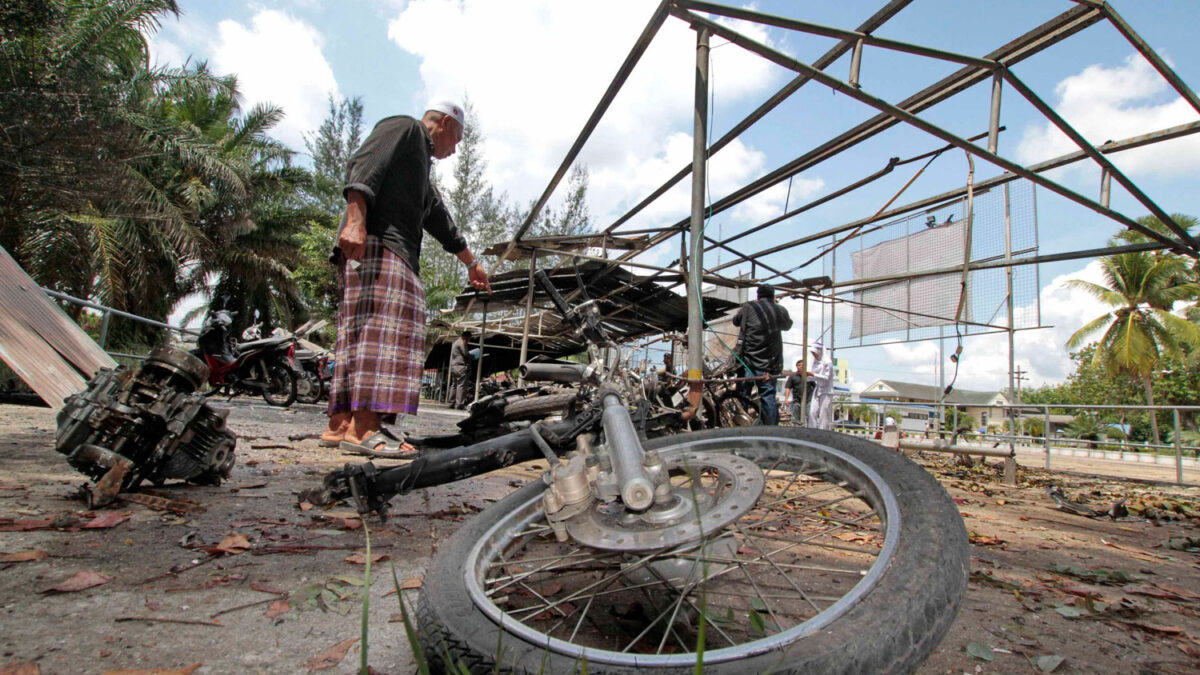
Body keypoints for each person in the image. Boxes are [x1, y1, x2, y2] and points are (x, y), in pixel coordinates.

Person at [319, 101, 491, 454]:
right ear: (442, 123)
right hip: (383, 246)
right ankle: (365, 430)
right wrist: (355, 220)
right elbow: (365, 164)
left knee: (359, 334)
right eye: (455, 140)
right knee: (388, 335)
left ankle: (341, 424)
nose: (455, 151)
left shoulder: (419, 170)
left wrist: (471, 262)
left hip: (374, 250)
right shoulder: (406, 129)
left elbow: (440, 218)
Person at [732, 284, 793, 425]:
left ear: (758, 296)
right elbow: (788, 325)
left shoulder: (749, 307)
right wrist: (775, 306)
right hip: (769, 364)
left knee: (742, 395)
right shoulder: (780, 310)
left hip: (747, 361)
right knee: (768, 396)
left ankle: (740, 427)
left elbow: (735, 321)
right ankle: (770, 430)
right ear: (773, 296)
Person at [807, 340, 833, 431]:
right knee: (812, 412)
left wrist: (813, 375)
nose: (814, 355)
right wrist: (807, 376)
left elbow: (826, 378)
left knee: (823, 414)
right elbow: (813, 377)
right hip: (818, 389)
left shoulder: (827, 362)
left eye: (815, 352)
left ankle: (823, 432)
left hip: (826, 391)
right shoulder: (815, 362)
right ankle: (812, 431)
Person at [783, 358, 814, 426]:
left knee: (809, 414)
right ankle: (798, 429)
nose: (801, 367)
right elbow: (788, 388)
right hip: (797, 400)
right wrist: (786, 399)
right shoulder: (793, 377)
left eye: (803, 365)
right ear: (797, 366)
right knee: (796, 414)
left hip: (808, 400)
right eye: (799, 365)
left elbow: (815, 386)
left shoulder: (809, 376)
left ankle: (810, 429)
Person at [449, 329, 472, 409]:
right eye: (469, 339)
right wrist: (471, 355)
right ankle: (459, 404)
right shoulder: (462, 342)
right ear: (466, 337)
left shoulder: (455, 342)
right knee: (461, 385)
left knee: (454, 385)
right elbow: (465, 353)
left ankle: (451, 402)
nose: (469, 341)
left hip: (454, 366)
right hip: (460, 366)